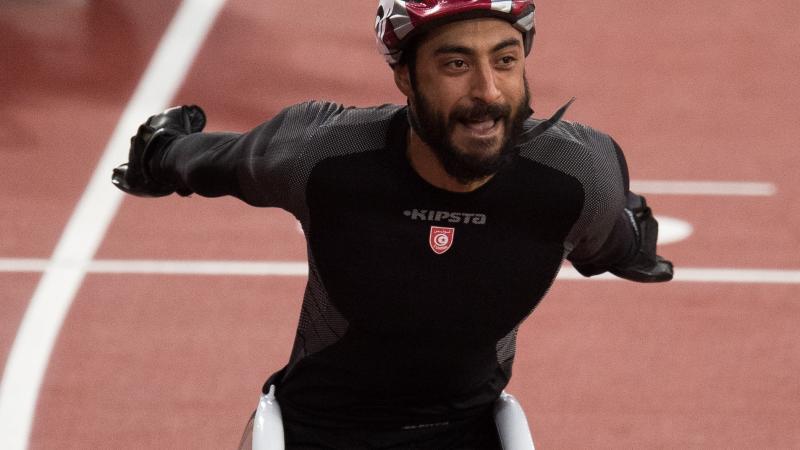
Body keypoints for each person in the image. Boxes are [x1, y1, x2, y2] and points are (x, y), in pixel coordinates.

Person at [112, 1, 673, 448]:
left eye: (505, 60)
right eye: (456, 64)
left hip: (471, 433)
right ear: (405, 77)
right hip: (311, 433)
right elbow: (217, 161)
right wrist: (160, 152)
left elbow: (617, 241)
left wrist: (636, 247)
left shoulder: (578, 175)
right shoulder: (323, 155)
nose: (488, 92)